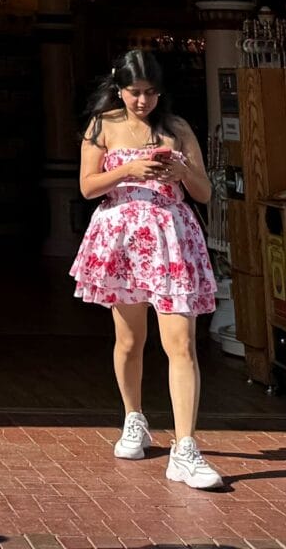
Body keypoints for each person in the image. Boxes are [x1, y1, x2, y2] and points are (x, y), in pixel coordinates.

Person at [70, 48, 223, 492]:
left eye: (151, 93)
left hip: (171, 240)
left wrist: (180, 170)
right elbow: (86, 186)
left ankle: (186, 447)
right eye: (135, 93)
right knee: (130, 339)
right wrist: (131, 169)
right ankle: (133, 417)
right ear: (119, 88)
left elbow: (205, 192)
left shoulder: (176, 129)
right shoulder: (102, 127)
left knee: (182, 343)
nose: (143, 102)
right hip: (121, 243)